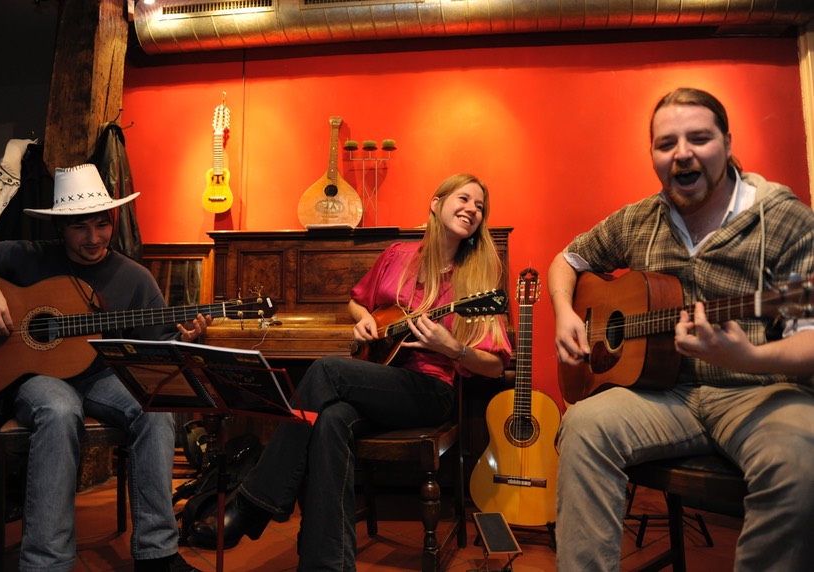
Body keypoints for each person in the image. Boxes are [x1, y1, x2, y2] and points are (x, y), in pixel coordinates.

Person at [548, 87, 814, 571]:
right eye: (666, 143)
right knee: (582, 427)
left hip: (762, 389)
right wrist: (566, 312)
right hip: (665, 393)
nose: (683, 154)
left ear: (728, 144)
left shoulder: (782, 220)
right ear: (652, 154)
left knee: (800, 463)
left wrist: (749, 358)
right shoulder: (638, 220)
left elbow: (810, 339)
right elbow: (567, 260)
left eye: (699, 138)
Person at [190, 173, 513, 570]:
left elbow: (496, 364)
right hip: (379, 379)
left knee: (326, 372)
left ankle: (254, 501)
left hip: (430, 391)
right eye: (464, 199)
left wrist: (453, 348)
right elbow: (356, 303)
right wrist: (365, 322)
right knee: (331, 420)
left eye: (480, 207)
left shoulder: (478, 276)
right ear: (436, 202)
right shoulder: (398, 255)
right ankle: (327, 563)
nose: (473, 210)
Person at [0, 163, 211, 572]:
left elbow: (157, 344)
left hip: (102, 375)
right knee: (59, 411)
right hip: (34, 376)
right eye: (79, 228)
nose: (94, 239)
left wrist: (184, 340)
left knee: (155, 406)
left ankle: (157, 554)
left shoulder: (135, 278)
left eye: (102, 225)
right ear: (60, 229)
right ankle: (46, 564)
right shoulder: (27, 256)